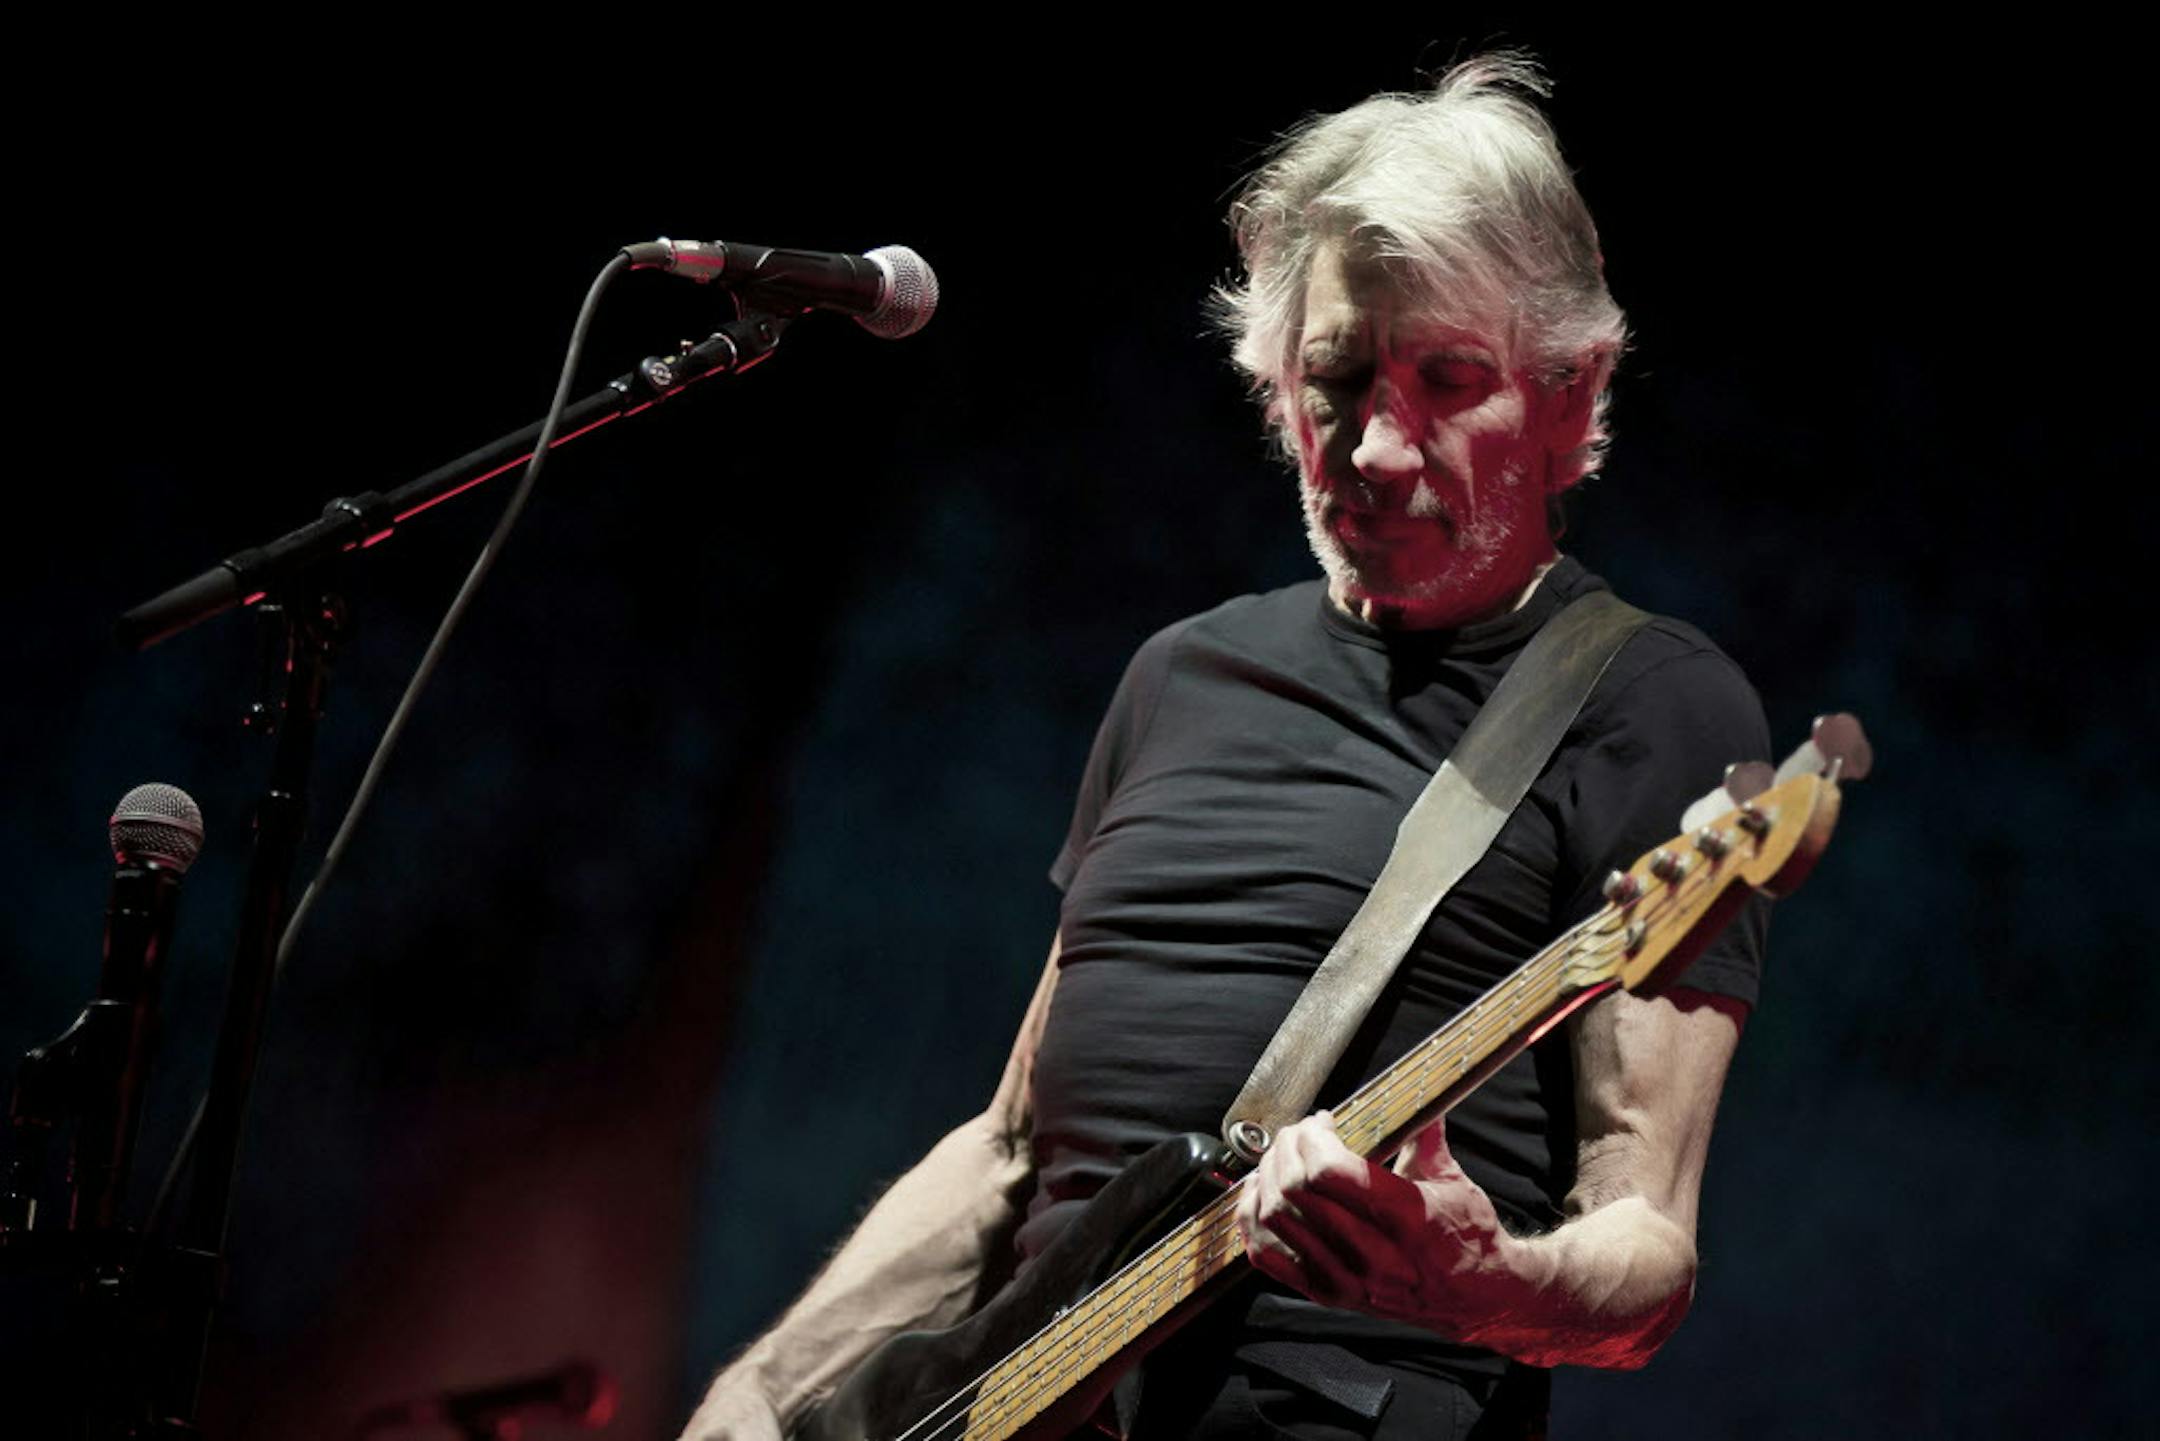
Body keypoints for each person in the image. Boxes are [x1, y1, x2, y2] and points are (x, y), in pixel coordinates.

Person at [682, 53, 1769, 1441]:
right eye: (1336, 379)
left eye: (1448, 380)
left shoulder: (1651, 702)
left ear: (1570, 394)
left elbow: (1646, 1237)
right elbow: (1013, 1146)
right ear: (1272, 387)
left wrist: (1480, 1276)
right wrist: (761, 1394)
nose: (1377, 444)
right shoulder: (1178, 675)